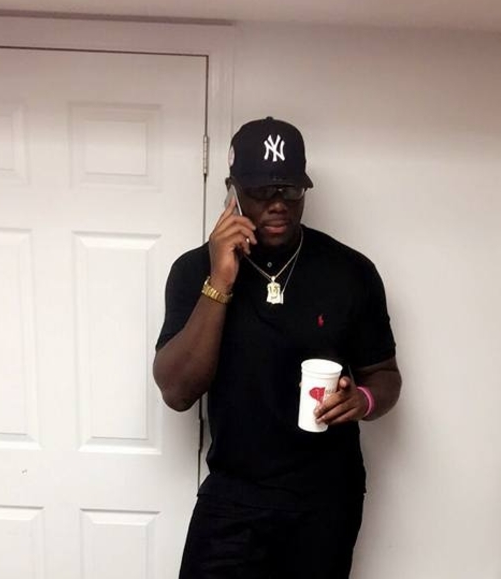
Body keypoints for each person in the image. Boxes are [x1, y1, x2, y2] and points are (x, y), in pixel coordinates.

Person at [153, 117, 402, 579]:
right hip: (234, 494)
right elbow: (177, 392)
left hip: (326, 499)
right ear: (232, 192)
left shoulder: (351, 272)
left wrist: (363, 400)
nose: (277, 203)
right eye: (261, 190)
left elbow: (385, 376)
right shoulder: (194, 271)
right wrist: (221, 279)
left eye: (290, 190)